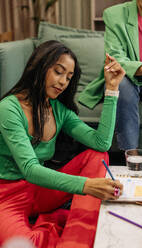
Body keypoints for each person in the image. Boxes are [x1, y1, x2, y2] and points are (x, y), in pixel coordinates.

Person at [0, 40, 124, 248]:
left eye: (69, 77)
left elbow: (101, 143)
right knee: (24, 244)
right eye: (58, 72)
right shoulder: (8, 108)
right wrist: (87, 186)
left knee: (96, 156)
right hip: (7, 197)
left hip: (40, 190)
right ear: (40, 66)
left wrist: (111, 89)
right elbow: (30, 169)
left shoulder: (59, 110)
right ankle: (64, 230)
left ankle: (77, 229)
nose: (63, 82)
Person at [79, 0, 142, 150]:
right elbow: (114, 59)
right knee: (122, 85)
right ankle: (130, 158)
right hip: (127, 79)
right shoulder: (114, 15)